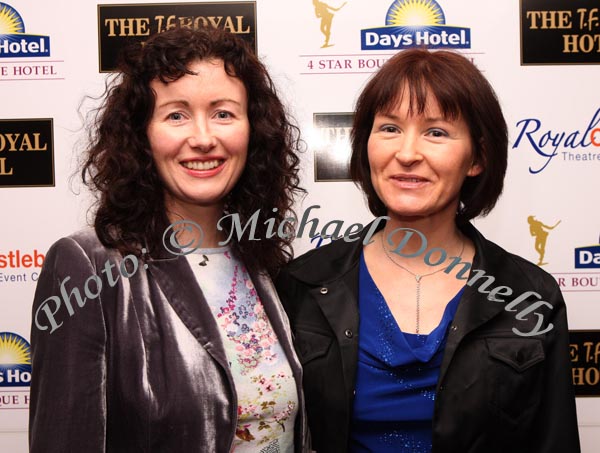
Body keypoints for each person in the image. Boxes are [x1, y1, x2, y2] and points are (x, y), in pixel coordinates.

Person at [276, 49, 580, 452]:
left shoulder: (529, 296)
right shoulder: (303, 284)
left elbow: (554, 440)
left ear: (478, 157)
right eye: (389, 129)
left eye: (436, 132)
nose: (406, 153)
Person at [29, 27, 309, 452]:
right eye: (176, 115)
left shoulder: (262, 259)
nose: (202, 138)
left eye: (224, 113)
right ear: (142, 134)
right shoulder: (87, 264)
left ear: (254, 131)